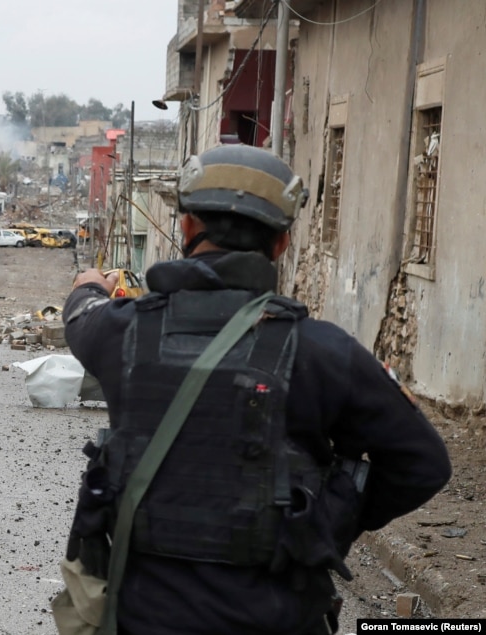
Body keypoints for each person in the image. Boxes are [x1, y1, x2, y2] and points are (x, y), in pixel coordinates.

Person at [60, 144, 451, 634]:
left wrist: (90, 283)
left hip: (143, 618)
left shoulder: (119, 332)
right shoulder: (324, 352)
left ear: (186, 227)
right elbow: (424, 464)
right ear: (283, 243)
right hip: (280, 615)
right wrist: (323, 523)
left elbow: (80, 313)